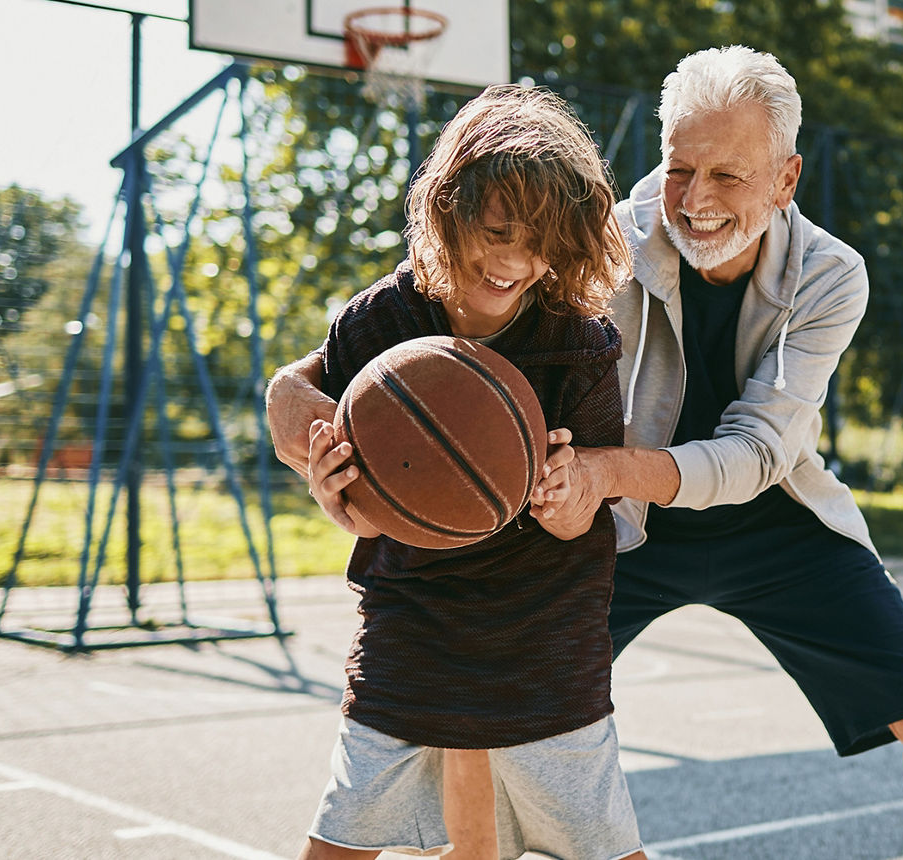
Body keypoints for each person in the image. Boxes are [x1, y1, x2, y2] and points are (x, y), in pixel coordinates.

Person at [270, 48, 903, 859]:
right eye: (682, 168)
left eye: (730, 175)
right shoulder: (592, 240)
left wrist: (604, 471)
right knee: (481, 687)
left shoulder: (831, 276)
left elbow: (757, 451)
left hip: (771, 523)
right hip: (611, 527)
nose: (698, 199)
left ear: (786, 180)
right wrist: (295, 392)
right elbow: (444, 307)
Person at [267, 85, 646, 860]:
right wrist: (337, 483)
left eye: (539, 241)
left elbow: (590, 517)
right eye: (497, 229)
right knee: (337, 840)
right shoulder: (380, 324)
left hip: (543, 634)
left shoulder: (580, 345)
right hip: (414, 622)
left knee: (605, 850)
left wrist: (569, 496)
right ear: (448, 210)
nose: (513, 259)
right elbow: (326, 451)